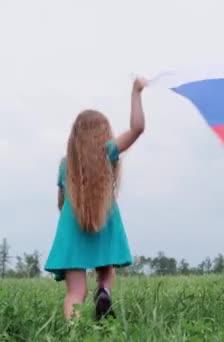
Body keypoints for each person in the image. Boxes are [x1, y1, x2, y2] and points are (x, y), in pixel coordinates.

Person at [44, 77, 147, 321]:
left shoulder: (64, 165)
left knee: (75, 292)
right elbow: (137, 129)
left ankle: (75, 333)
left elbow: (61, 201)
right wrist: (136, 92)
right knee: (106, 271)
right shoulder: (107, 154)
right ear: (103, 134)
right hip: (104, 225)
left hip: (72, 230)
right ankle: (104, 291)